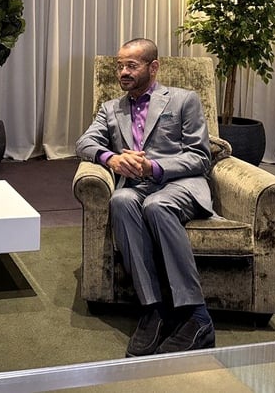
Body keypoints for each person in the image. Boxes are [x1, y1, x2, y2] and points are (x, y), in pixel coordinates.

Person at [76, 38, 216, 357]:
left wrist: (153, 167)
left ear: (153, 67)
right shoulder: (111, 109)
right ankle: (153, 310)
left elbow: (200, 157)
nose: (123, 72)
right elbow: (83, 143)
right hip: (136, 187)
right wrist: (110, 159)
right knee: (121, 200)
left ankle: (197, 316)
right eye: (120, 65)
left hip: (180, 183)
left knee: (157, 205)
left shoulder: (184, 100)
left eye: (131, 65)